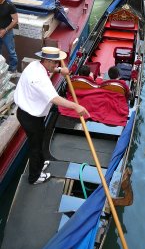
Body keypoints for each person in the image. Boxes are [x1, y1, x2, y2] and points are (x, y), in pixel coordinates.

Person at [14, 47, 90, 185]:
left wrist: (60, 70)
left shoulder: (35, 65)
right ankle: (35, 177)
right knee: (35, 146)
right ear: (47, 60)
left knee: (40, 139)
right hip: (31, 117)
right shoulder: (40, 79)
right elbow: (54, 98)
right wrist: (76, 106)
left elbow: (50, 69)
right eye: (55, 63)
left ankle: (40, 163)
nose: (57, 65)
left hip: (27, 112)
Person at [0, 0, 18, 72]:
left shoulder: (9, 5)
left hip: (7, 32)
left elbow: (15, 20)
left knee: (11, 53)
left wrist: (5, 30)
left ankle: (13, 70)